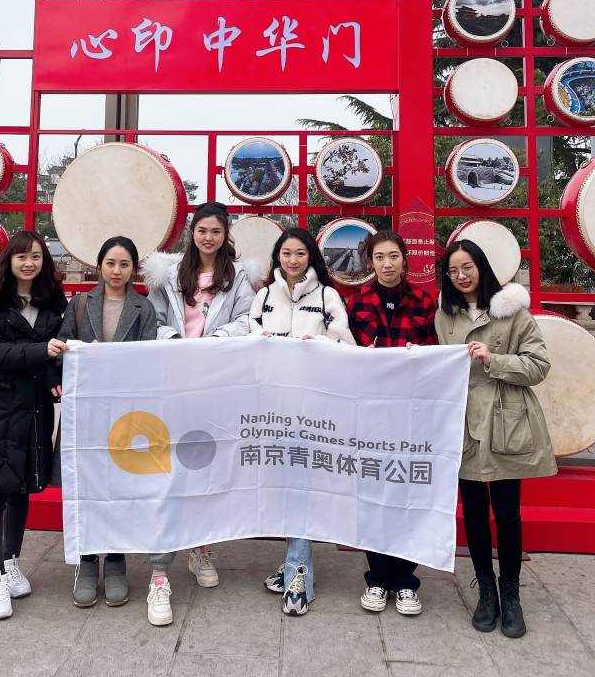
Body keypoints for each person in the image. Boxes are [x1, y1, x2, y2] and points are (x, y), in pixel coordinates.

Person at [142, 201, 256, 626]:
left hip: (215, 380)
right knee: (168, 470)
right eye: (203, 230)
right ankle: (159, 571)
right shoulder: (169, 274)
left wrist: (216, 342)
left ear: (226, 235)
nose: (209, 238)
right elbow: (151, 318)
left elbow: (247, 320)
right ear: (193, 232)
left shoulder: (239, 276)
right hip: (173, 380)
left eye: (217, 231)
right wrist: (174, 340)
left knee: (207, 466)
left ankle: (200, 547)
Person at [435, 239, 556, 639]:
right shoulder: (445, 315)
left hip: (506, 421)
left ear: (481, 267)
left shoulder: (513, 311)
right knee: (473, 512)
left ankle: (511, 594)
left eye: (467, 267)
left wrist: (494, 358)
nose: (461, 276)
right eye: (453, 270)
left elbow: (539, 365)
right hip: (465, 422)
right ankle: (486, 591)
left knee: (506, 513)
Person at [0, 230, 68, 621]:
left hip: (33, 408)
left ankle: (11, 560)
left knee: (21, 488)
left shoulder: (51, 300)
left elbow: (55, 352)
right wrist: (41, 351)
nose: (29, 263)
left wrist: (53, 374)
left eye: (36, 256)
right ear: (9, 260)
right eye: (21, 256)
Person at [249, 226, 355, 617]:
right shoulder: (263, 297)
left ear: (311, 257)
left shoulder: (327, 296)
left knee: (301, 490)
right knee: (285, 490)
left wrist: (320, 346)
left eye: (300, 253)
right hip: (272, 410)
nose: (293, 260)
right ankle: (293, 562)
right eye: (286, 253)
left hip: (313, 412)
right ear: (278, 257)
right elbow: (247, 349)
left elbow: (346, 346)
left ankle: (299, 576)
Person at [49, 235, 157, 610]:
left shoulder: (144, 308)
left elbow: (149, 359)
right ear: (99, 266)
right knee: (86, 485)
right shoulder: (80, 304)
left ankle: (115, 562)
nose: (116, 271)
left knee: (118, 487)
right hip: (86, 413)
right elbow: (60, 349)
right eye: (110, 263)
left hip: (125, 414)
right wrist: (71, 360)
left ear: (133, 270)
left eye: (124, 264)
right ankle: (86, 562)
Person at [346, 230, 437, 617]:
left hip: (412, 412)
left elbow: (436, 354)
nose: (387, 264)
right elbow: (345, 355)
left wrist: (421, 355)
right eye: (380, 257)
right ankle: (378, 577)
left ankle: (406, 580)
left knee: (407, 493)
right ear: (371, 262)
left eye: (394, 256)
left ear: (404, 260)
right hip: (372, 413)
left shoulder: (424, 302)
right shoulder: (356, 302)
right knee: (374, 494)